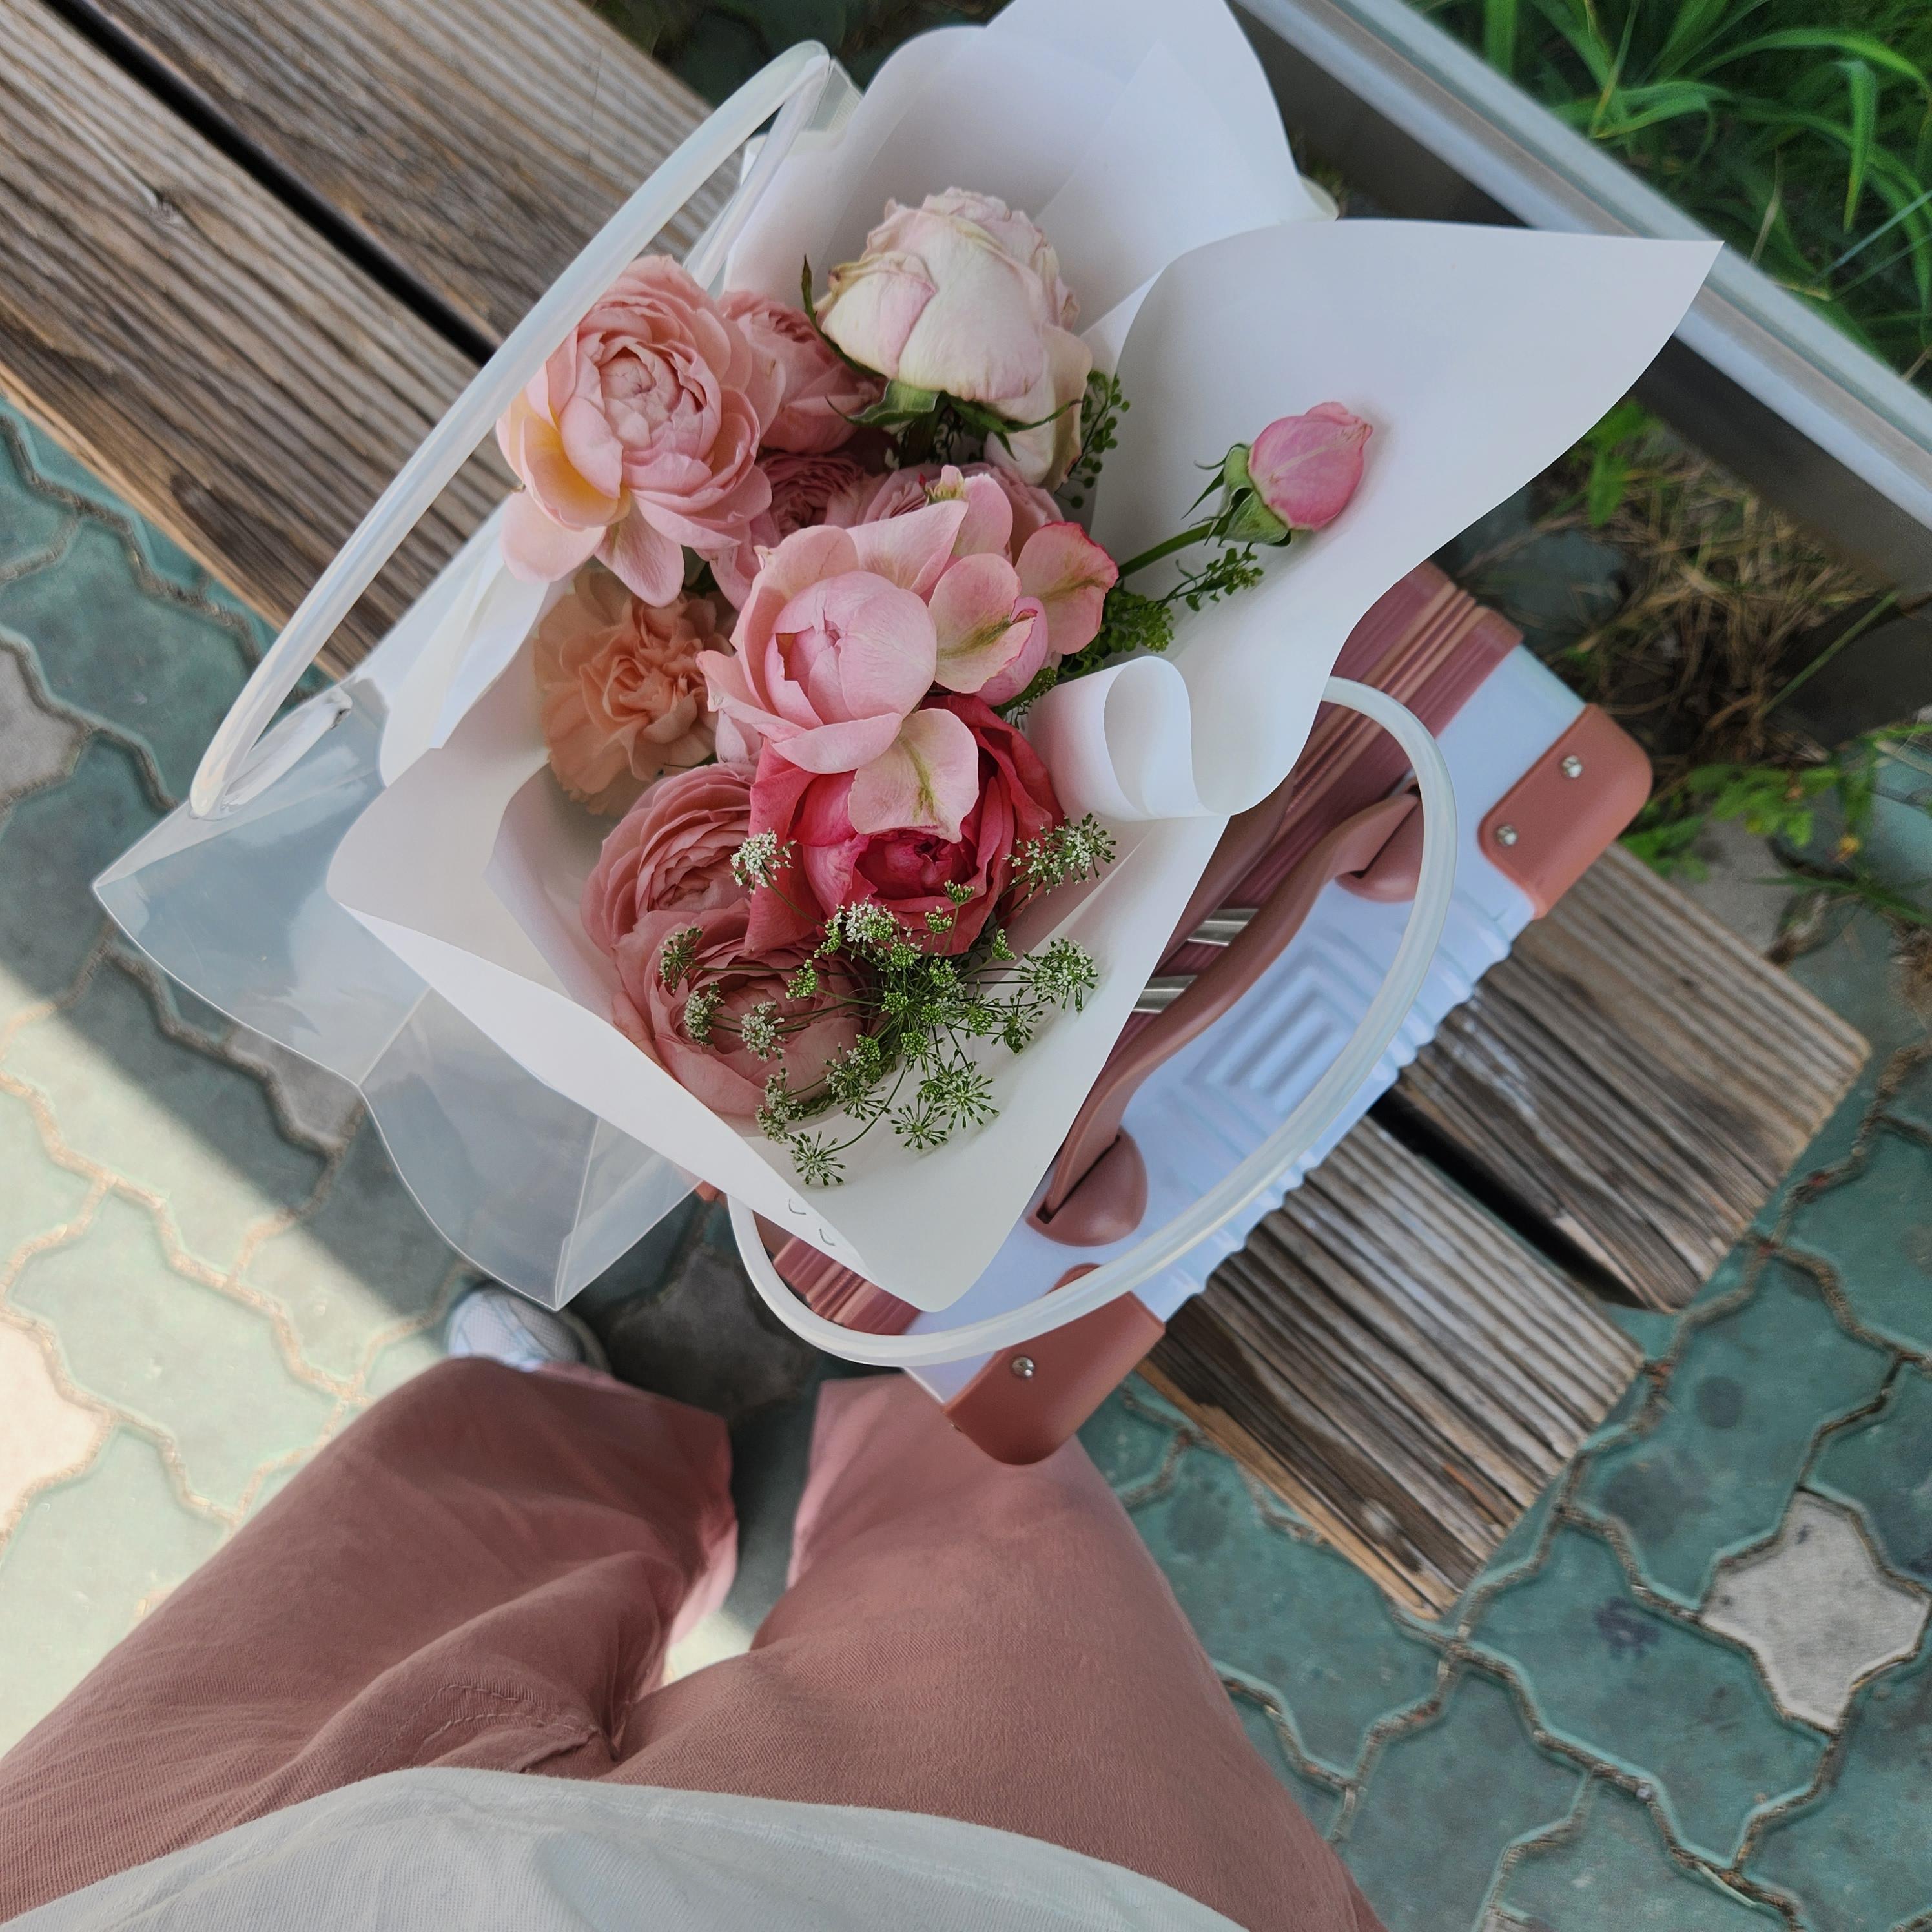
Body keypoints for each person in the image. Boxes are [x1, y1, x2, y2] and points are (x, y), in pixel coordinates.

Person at [0, 1286, 1381, 1931]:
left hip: (181, 1898)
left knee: (362, 1588)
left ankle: (574, 1432)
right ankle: (927, 1408)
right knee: (999, 1587)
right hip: (973, 1899)